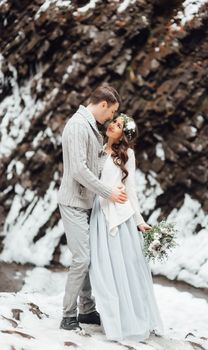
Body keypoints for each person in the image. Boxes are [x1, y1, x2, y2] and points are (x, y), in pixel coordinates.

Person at [57, 85, 128, 331]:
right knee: (82, 259)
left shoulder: (89, 126)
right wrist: (108, 192)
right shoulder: (78, 126)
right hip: (73, 202)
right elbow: (78, 169)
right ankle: (68, 316)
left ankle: (86, 310)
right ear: (103, 105)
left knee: (87, 257)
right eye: (112, 112)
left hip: (86, 202)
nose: (111, 118)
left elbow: (95, 163)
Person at [89, 113, 164, 341]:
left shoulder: (127, 155)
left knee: (125, 272)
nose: (113, 125)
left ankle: (129, 322)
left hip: (121, 219)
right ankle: (112, 320)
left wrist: (140, 220)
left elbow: (130, 190)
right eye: (114, 121)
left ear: (124, 134)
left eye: (119, 125)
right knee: (102, 270)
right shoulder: (96, 148)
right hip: (99, 215)